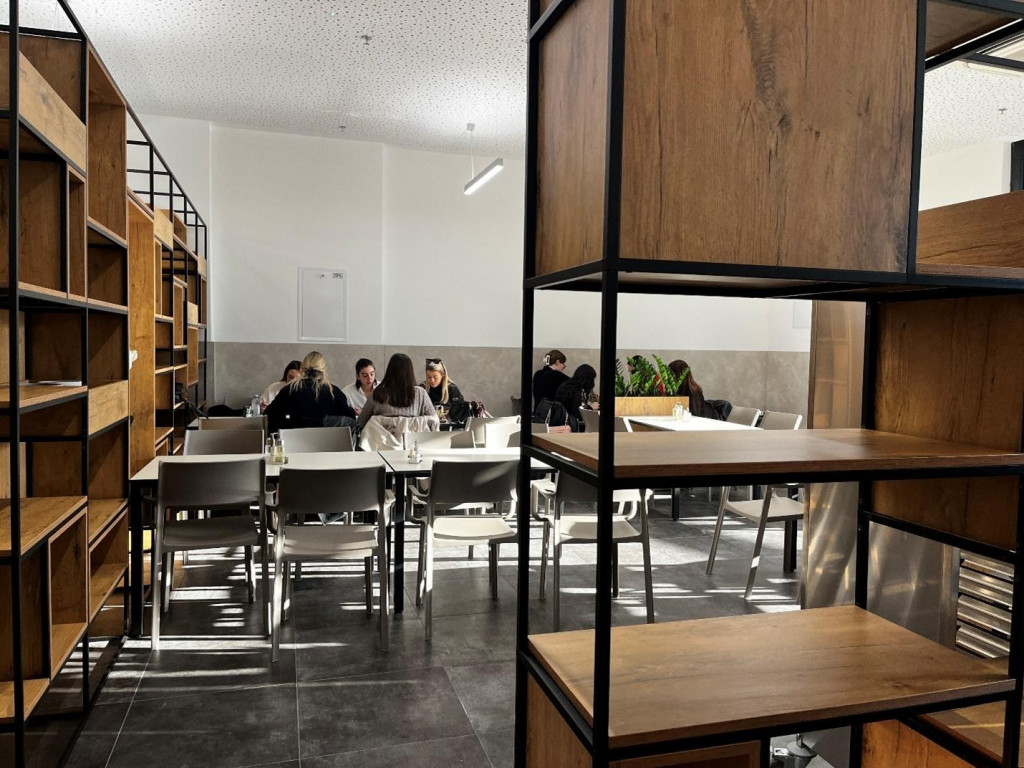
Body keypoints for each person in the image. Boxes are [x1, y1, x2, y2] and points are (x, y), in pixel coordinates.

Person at [264, 351, 355, 432]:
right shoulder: (333, 391)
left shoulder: (290, 389)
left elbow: (268, 414)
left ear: (303, 367)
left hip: (295, 440)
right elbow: (350, 418)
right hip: (328, 442)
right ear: (324, 370)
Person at [358, 353, 437, 427]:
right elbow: (434, 421)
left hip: (381, 437)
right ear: (410, 372)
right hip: (413, 437)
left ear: (389, 371)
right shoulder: (420, 393)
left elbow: (360, 423)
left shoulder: (377, 393)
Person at [554, 364, 599, 431]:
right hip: (570, 425)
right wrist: (590, 407)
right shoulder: (576, 392)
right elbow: (577, 413)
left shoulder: (565, 386)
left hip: (561, 421)